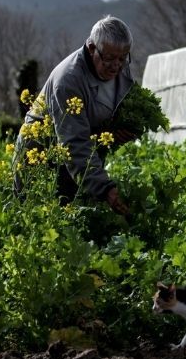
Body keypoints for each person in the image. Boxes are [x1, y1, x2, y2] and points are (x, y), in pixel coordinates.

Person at [14, 15, 133, 215]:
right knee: (43, 217)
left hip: (80, 158)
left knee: (80, 216)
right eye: (110, 58)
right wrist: (104, 188)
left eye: (122, 58)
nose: (117, 66)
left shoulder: (120, 68)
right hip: (43, 156)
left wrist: (119, 130)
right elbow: (74, 143)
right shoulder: (68, 80)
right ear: (92, 48)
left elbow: (121, 106)